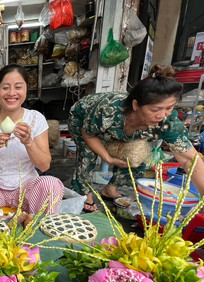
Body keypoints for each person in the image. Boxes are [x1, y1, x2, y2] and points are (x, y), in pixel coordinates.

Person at [69, 64, 204, 213]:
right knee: (89, 153)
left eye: (169, 108)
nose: (162, 115)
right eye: (155, 109)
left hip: (124, 128)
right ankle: (82, 193)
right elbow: (88, 134)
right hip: (83, 118)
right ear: (135, 105)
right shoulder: (109, 111)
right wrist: (107, 157)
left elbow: (189, 159)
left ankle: (110, 189)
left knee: (136, 155)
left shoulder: (167, 123)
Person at [0, 64, 65, 217]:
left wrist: (29, 142)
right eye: (5, 87)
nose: (12, 93)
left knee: (50, 184)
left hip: (26, 192)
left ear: (26, 89)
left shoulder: (35, 118)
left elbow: (44, 165)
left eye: (18, 87)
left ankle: (37, 229)